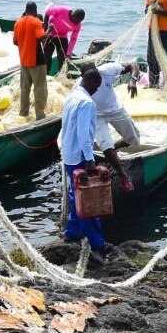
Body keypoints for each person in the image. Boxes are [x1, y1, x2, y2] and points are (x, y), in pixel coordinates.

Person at [60, 66, 114, 258]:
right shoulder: (86, 103)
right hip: (80, 156)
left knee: (76, 195)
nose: (97, 90)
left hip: (68, 154)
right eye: (97, 86)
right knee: (89, 201)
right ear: (91, 83)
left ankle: (72, 233)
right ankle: (97, 245)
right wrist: (90, 159)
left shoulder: (71, 97)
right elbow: (84, 134)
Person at [89, 58, 141, 155]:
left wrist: (133, 80)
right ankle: (110, 154)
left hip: (115, 110)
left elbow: (133, 64)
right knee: (106, 145)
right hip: (97, 115)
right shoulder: (79, 86)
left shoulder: (107, 70)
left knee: (134, 139)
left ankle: (114, 149)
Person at [12, 2, 48, 119]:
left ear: (26, 10)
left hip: (23, 61)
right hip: (37, 61)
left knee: (24, 89)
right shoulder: (36, 22)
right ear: (35, 11)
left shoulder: (18, 23)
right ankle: (40, 115)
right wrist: (49, 31)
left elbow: (15, 42)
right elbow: (41, 37)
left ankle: (23, 113)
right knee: (40, 89)